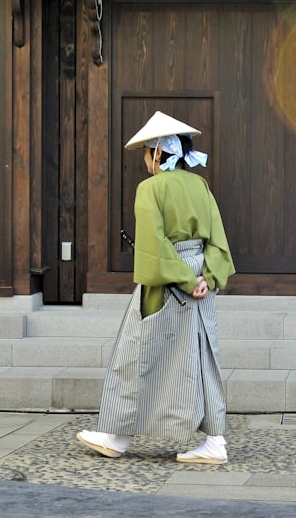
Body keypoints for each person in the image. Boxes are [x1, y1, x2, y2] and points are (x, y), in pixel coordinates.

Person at [77, 111, 236, 464]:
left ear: (158, 155)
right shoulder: (200, 186)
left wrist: (183, 278)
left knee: (138, 351)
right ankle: (214, 441)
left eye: (147, 155)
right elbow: (218, 240)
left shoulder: (150, 188)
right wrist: (205, 278)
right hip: (200, 281)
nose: (146, 162)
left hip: (169, 280)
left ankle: (117, 435)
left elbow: (153, 243)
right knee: (201, 355)